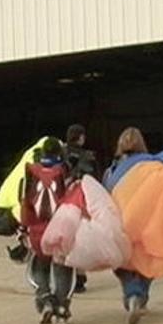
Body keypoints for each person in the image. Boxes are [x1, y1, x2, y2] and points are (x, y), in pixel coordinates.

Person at [21, 137, 75, 324]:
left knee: (39, 268)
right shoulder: (64, 172)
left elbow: (25, 203)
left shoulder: (30, 171)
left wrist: (23, 228)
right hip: (59, 229)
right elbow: (71, 201)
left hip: (36, 230)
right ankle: (61, 310)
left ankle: (44, 299)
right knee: (63, 270)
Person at [102, 127, 154, 324]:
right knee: (148, 262)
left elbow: (105, 196)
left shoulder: (112, 170)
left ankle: (132, 294)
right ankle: (140, 297)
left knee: (122, 264)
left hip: (120, 222)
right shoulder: (152, 165)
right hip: (146, 222)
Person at [63, 124, 98, 293]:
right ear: (80, 137)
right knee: (80, 237)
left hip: (62, 201)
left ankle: (65, 274)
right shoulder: (87, 156)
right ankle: (80, 276)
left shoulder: (61, 153)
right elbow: (92, 178)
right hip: (80, 200)